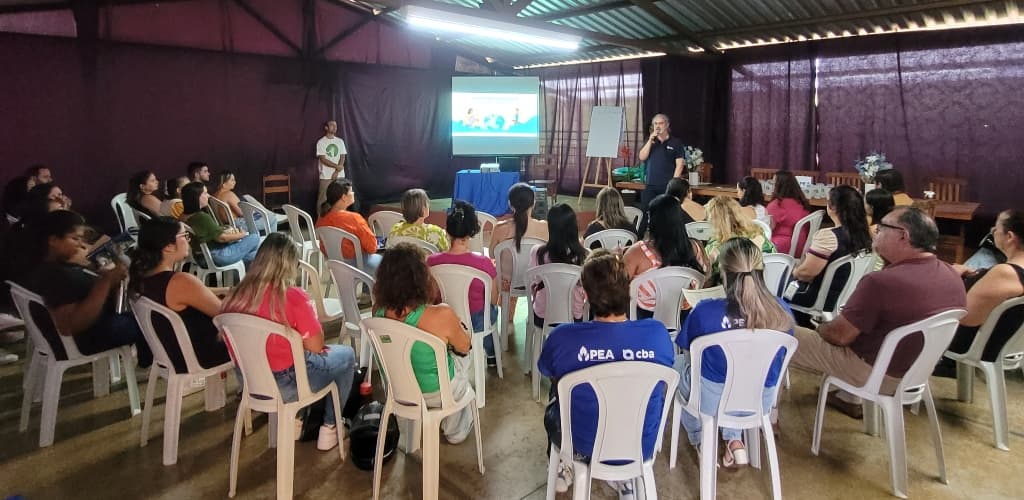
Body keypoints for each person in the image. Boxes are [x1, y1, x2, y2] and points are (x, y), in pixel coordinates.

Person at [790, 207, 966, 419]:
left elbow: (839, 336)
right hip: (915, 373)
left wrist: (820, 327)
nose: (875, 232)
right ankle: (847, 397)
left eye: (882, 228)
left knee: (780, 334)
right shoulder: (952, 275)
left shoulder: (881, 282)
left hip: (873, 371)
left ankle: (767, 415)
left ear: (903, 235)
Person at [538, 249, 674, 497]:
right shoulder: (657, 334)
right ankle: (626, 479)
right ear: (629, 289)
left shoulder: (562, 338)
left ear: (588, 296)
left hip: (582, 446)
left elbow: (547, 370)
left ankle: (565, 465)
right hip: (641, 444)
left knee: (558, 386)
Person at [221, 233, 356, 451]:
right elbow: (315, 346)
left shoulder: (234, 297)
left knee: (301, 358)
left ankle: (296, 421)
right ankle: (330, 427)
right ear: (290, 264)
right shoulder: (292, 296)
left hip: (250, 382)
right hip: (289, 384)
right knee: (346, 356)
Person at [675, 237, 795, 467]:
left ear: (724, 272)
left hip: (712, 401)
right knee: (740, 375)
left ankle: (700, 439)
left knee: (678, 366)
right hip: (760, 400)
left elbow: (689, 350)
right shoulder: (782, 311)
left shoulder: (705, 310)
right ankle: (734, 439)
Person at [373, 243, 474, 444]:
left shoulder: (377, 312)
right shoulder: (441, 315)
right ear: (421, 279)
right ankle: (455, 429)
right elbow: (464, 347)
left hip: (400, 390)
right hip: (438, 393)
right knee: (465, 351)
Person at [28, 210, 151, 367]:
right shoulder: (56, 277)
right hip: (86, 338)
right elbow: (71, 325)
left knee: (137, 312)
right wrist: (105, 282)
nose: (82, 245)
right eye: (75, 239)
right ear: (53, 240)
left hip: (81, 332)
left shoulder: (50, 267)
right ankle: (148, 364)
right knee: (147, 320)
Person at [129, 216, 230, 371]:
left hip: (170, 354)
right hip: (199, 355)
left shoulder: (141, 278)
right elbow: (225, 313)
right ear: (168, 246)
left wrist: (229, 290)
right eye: (184, 236)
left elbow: (198, 292)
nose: (188, 241)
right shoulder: (181, 281)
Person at [937, 210, 1024, 375]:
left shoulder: (1006, 273)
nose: (993, 231)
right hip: (1003, 342)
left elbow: (966, 318)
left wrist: (953, 281)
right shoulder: (1011, 271)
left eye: (996, 228)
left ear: (1010, 236)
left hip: (975, 344)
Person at [787, 185, 872, 327]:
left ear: (832, 207)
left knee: (774, 284)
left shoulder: (828, 236)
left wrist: (791, 273)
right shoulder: (866, 235)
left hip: (817, 298)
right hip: (845, 296)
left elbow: (807, 273)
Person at [426, 201, 499, 364]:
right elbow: (494, 299)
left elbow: (431, 297)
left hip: (445, 320)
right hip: (477, 321)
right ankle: (492, 355)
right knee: (491, 310)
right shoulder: (484, 263)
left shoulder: (431, 262)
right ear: (472, 232)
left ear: (448, 231)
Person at [623, 194, 707, 318]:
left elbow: (619, 287)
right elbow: (705, 277)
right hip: (684, 317)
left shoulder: (638, 252)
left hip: (645, 320)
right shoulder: (696, 248)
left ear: (653, 221)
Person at [489, 183, 549, 322]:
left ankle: (505, 314)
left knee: (496, 268)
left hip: (506, 283)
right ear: (533, 203)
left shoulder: (500, 228)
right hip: (535, 282)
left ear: (510, 204)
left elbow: (492, 255)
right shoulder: (545, 227)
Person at [528, 204, 587, 328]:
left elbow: (533, 280)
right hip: (574, 317)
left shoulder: (537, 252)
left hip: (542, 316)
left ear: (550, 226)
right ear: (574, 227)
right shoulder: (584, 255)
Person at [180, 182, 260, 268]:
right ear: (196, 197)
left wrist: (226, 230)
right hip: (217, 256)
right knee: (255, 237)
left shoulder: (183, 216)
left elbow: (210, 232)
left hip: (200, 257)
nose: (208, 196)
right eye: (205, 193)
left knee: (255, 255)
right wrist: (242, 235)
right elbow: (222, 238)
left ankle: (241, 272)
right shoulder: (201, 217)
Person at [704, 196, 776, 281]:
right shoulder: (758, 233)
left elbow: (705, 273)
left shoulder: (717, 244)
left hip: (731, 290)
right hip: (767, 284)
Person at [315, 180, 380, 274]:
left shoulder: (322, 217)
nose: (353, 193)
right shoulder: (355, 218)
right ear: (343, 197)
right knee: (387, 264)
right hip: (357, 264)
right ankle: (371, 288)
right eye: (351, 191)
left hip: (334, 263)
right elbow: (372, 247)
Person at [637, 114, 684, 211]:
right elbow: (642, 157)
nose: (658, 126)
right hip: (650, 185)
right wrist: (650, 140)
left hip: (667, 186)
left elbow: (679, 165)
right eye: (655, 124)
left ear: (667, 125)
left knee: (665, 213)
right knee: (646, 212)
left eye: (661, 123)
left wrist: (673, 185)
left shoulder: (676, 142)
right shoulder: (650, 141)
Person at [765, 170, 811, 254]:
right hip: (801, 244)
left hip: (782, 246)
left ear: (779, 186)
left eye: (773, 183)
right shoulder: (801, 202)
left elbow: (767, 227)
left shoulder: (777, 205)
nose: (772, 186)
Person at [316, 120, 347, 209]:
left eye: (336, 125)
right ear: (326, 128)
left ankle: (340, 221)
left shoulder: (340, 141)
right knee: (323, 199)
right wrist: (336, 166)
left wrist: (337, 171)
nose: (335, 127)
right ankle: (321, 221)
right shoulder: (321, 142)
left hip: (339, 175)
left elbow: (342, 156)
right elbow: (322, 159)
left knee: (341, 199)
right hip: (326, 176)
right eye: (332, 125)